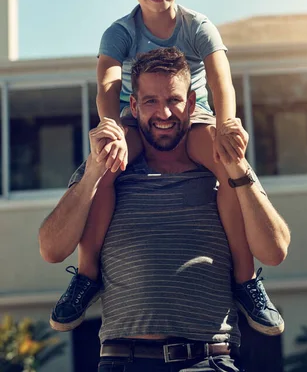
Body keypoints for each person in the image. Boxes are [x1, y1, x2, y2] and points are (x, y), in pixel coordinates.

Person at [49, 0, 284, 336]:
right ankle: (87, 275)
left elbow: (220, 80)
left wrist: (227, 122)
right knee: (107, 163)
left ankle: (245, 280)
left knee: (226, 164)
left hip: (193, 117)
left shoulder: (198, 26)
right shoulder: (120, 31)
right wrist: (110, 125)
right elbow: (107, 81)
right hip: (136, 117)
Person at [39, 48, 291, 371]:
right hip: (124, 361)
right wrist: (92, 172)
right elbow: (51, 247)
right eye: (150, 102)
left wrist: (238, 166)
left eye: (173, 100)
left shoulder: (221, 167)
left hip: (208, 359)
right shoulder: (108, 172)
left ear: (191, 101)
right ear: (132, 106)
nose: (165, 113)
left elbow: (274, 250)